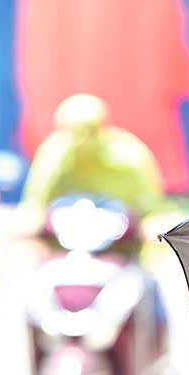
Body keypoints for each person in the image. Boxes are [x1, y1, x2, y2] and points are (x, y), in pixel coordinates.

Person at [19, 93, 168, 259]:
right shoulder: (53, 155)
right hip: (64, 251)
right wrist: (30, 225)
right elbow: (35, 205)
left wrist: (151, 225)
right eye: (75, 132)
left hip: (121, 250)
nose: (83, 139)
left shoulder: (129, 156)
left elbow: (152, 208)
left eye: (90, 131)